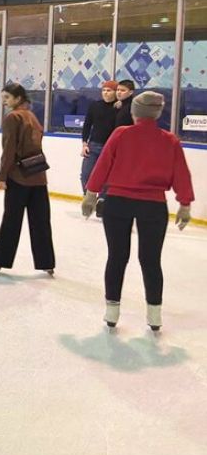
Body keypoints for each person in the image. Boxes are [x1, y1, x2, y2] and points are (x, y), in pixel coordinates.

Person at [83, 91, 194, 332]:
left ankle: (112, 310)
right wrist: (185, 203)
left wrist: (91, 194)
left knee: (117, 256)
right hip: (153, 206)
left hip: (118, 203)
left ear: (134, 112)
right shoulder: (170, 140)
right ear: (157, 113)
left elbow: (103, 164)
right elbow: (181, 174)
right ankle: (154, 314)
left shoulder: (121, 134)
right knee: (151, 260)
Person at [0, 83, 55, 276]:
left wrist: (2, 175)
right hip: (38, 175)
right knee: (41, 221)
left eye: (7, 98)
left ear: (18, 98)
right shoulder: (31, 116)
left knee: (11, 220)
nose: (4, 101)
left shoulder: (13, 117)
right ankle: (47, 263)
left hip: (19, 177)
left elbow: (9, 149)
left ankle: (0, 260)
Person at [80, 80, 119, 203]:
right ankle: (88, 198)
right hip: (93, 145)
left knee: (107, 177)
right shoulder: (95, 106)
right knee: (86, 174)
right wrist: (84, 144)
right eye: (104, 90)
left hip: (110, 148)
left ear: (115, 92)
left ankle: (102, 200)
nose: (105, 93)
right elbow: (87, 125)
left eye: (109, 90)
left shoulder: (119, 108)